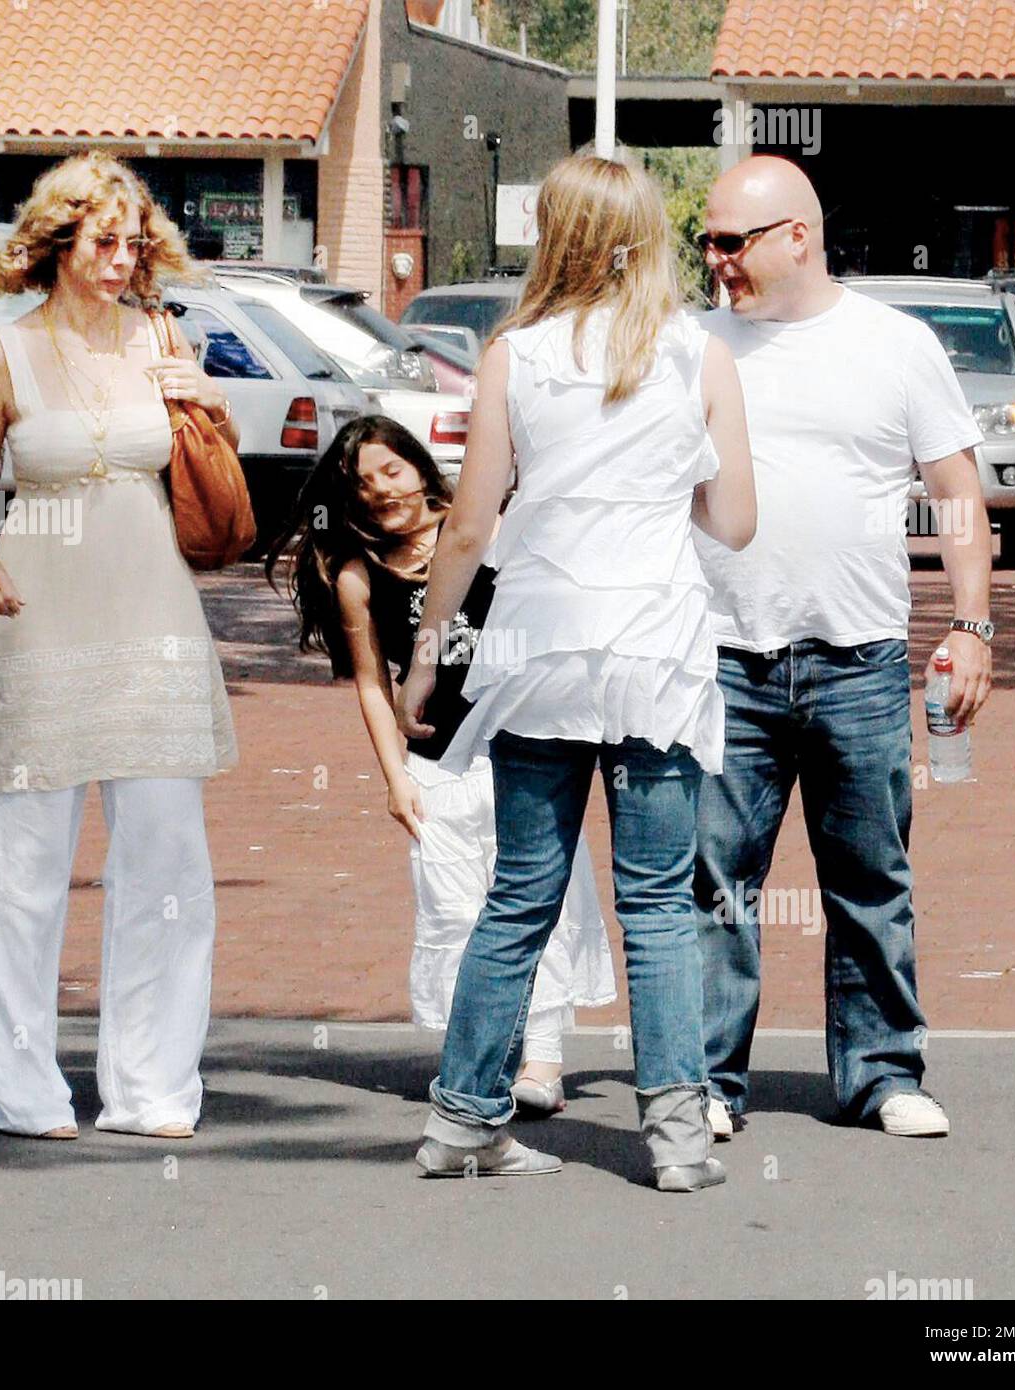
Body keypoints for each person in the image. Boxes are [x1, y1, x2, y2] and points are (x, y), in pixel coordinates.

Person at [397, 152, 755, 1191]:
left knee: (520, 895)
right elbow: (734, 520)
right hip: (655, 647)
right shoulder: (697, 356)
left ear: (552, 235)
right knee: (657, 903)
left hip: (537, 649)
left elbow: (469, 524)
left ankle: (463, 1118)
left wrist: (429, 659)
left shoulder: (516, 353)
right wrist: (655, 492)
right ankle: (681, 1137)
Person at [0, 151, 238, 1140]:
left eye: (133, 244)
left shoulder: (160, 332)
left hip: (152, 607)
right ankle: (22, 1090)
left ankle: (153, 1087)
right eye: (103, 242)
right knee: (23, 858)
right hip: (41, 608)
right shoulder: (4, 354)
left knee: (167, 859)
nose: (121, 260)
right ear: (57, 241)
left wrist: (204, 404)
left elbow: (204, 466)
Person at [692, 156, 992, 1140]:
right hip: (724, 657)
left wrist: (971, 623)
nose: (714, 259)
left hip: (859, 659)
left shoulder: (894, 346)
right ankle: (706, 1080)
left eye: (731, 241)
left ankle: (882, 1072)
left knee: (871, 876)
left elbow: (955, 489)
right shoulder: (693, 349)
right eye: (707, 240)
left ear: (798, 237)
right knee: (716, 878)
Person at [267, 415, 616, 1112]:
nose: (379, 492)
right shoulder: (357, 576)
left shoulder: (483, 530)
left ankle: (541, 1065)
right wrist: (394, 777)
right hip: (436, 766)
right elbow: (371, 681)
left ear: (419, 468)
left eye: (389, 472)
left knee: (541, 904)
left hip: (527, 749)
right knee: (456, 914)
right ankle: (481, 1060)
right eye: (361, 485)